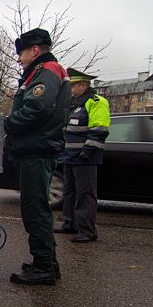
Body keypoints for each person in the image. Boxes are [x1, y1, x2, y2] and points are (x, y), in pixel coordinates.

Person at [4, 28, 71, 285]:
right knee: (38, 207)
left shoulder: (46, 71)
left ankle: (43, 266)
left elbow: (37, 108)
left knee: (34, 209)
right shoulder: (46, 71)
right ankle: (47, 262)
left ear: (34, 50)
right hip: (38, 147)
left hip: (36, 149)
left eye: (21, 53)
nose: (19, 59)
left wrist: (7, 125)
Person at [55, 68, 111, 242]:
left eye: (72, 86)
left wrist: (87, 151)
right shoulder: (74, 104)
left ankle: (87, 231)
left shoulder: (96, 102)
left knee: (85, 195)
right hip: (69, 157)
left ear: (82, 85)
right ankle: (69, 224)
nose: (69, 90)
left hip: (84, 158)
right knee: (70, 193)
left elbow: (99, 129)